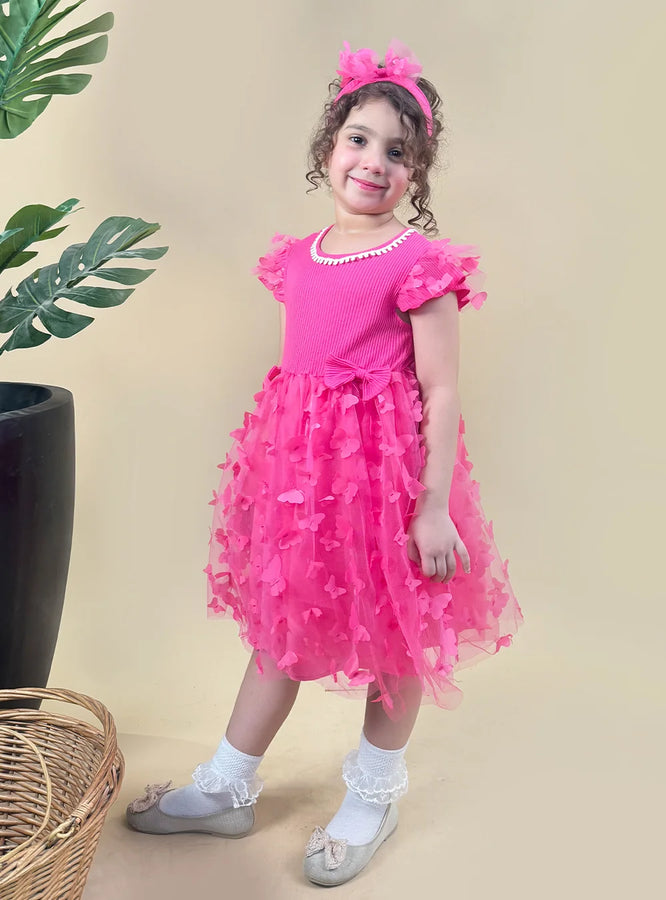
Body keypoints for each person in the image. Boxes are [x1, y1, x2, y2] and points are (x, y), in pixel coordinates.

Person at [127, 39, 523, 886]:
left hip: (387, 483)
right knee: (280, 621)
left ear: (417, 175)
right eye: (358, 139)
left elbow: (443, 392)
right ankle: (228, 785)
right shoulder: (299, 257)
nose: (373, 161)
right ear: (326, 147)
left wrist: (429, 505)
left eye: (398, 152)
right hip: (302, 481)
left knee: (395, 635)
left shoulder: (420, 265)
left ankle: (373, 794)